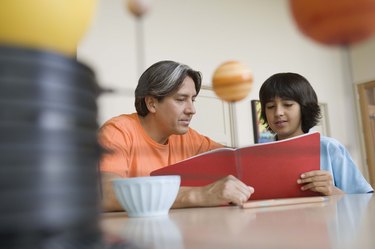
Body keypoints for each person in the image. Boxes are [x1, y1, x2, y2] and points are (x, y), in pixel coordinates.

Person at [99, 60, 254, 211]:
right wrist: (198, 195)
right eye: (181, 99)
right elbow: (105, 194)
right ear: (152, 103)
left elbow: (238, 159)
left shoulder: (187, 137)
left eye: (193, 100)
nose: (192, 109)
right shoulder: (117, 131)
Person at [259, 72, 373, 195]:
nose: (278, 113)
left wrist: (332, 191)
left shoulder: (329, 147)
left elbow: (366, 201)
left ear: (304, 107)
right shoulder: (260, 155)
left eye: (287, 105)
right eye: (270, 106)